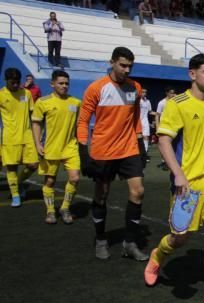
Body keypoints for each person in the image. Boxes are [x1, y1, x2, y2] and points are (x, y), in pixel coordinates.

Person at [144, 53, 204, 303]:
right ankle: (157, 255)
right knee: (180, 237)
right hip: (188, 182)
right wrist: (178, 173)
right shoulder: (178, 104)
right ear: (192, 74)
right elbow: (163, 141)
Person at [77, 47, 149, 261]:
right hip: (103, 151)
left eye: (130, 66)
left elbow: (135, 118)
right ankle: (100, 239)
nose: (127, 70)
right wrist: (84, 153)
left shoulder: (135, 87)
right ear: (112, 62)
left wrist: (141, 145)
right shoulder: (96, 88)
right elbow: (82, 121)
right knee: (102, 195)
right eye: (122, 65)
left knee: (138, 192)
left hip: (128, 149)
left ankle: (129, 243)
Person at [31, 70, 81, 224]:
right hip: (51, 147)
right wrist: (38, 143)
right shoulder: (43, 102)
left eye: (66, 83)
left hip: (70, 147)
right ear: (52, 84)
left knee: (75, 178)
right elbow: (36, 123)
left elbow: (79, 125)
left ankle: (65, 208)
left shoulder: (76, 102)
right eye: (60, 83)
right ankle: (51, 211)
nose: (64, 86)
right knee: (50, 182)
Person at [0, 68, 39, 207]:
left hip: (27, 135)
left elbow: (33, 114)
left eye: (17, 82)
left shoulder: (26, 93)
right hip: (9, 137)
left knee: (34, 164)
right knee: (12, 167)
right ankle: (15, 195)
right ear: (6, 81)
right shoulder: (1, 95)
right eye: (13, 83)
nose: (16, 85)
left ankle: (19, 182)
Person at [155, 87, 176, 169]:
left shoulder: (174, 102)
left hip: (173, 126)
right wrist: (157, 127)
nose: (173, 94)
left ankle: (170, 162)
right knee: (163, 144)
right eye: (171, 93)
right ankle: (164, 161)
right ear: (167, 93)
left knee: (172, 145)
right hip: (163, 126)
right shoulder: (161, 103)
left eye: (173, 93)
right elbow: (157, 115)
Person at [139, 88, 153, 157]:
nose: (144, 93)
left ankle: (145, 153)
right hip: (137, 121)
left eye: (145, 92)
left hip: (145, 121)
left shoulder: (148, 101)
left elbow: (150, 112)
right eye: (143, 92)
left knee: (146, 137)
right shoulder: (137, 101)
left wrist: (159, 114)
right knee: (138, 137)